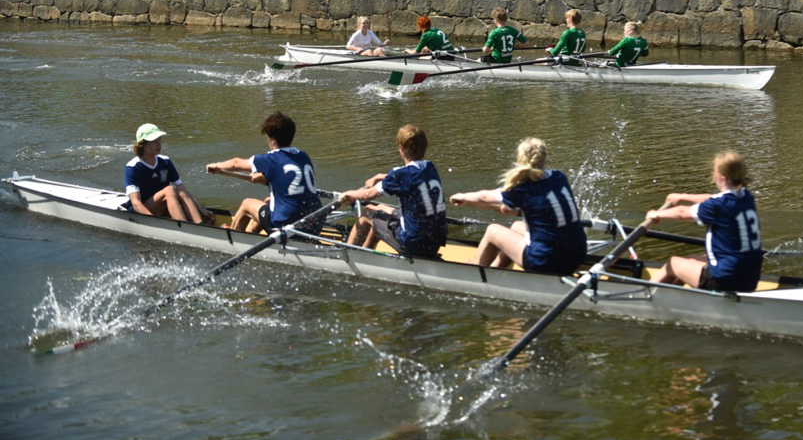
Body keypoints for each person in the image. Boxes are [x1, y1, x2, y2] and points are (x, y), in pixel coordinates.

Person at [449, 137, 587, 276]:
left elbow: (485, 197)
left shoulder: (523, 188)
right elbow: (515, 209)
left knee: (492, 231)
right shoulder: (559, 177)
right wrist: (469, 203)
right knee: (516, 226)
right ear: (545, 157)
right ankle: (496, 270)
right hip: (577, 255)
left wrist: (463, 196)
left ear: (519, 158)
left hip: (545, 262)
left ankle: (475, 273)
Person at [647, 151, 763, 293]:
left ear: (722, 178)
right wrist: (683, 196)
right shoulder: (746, 196)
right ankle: (670, 296)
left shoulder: (718, 205)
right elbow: (711, 198)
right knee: (691, 260)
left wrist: (657, 214)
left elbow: (682, 213)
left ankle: (642, 295)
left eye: (714, 171)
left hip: (724, 280)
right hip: (750, 276)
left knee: (673, 263)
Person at [206, 112, 323, 236]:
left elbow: (236, 163)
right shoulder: (303, 156)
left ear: (271, 140)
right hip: (315, 221)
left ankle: (234, 237)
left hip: (286, 226)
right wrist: (265, 179)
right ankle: (251, 233)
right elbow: (286, 181)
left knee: (247, 204)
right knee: (268, 201)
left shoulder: (270, 160)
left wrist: (216, 165)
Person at [341, 125, 447, 259]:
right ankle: (366, 254)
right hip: (435, 241)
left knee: (368, 212)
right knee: (379, 208)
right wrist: (380, 176)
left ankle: (347, 257)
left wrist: (348, 194)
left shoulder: (400, 175)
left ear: (402, 149)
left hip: (413, 244)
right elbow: (410, 178)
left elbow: (368, 195)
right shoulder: (429, 167)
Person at [124, 123, 213, 224]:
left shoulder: (165, 161)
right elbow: (136, 203)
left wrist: (200, 209)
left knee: (179, 190)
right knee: (169, 190)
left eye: (159, 139)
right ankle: (184, 227)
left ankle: (199, 224)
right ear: (142, 145)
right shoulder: (133, 167)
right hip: (145, 210)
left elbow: (183, 191)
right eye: (154, 141)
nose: (158, 144)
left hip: (163, 205)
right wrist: (152, 222)